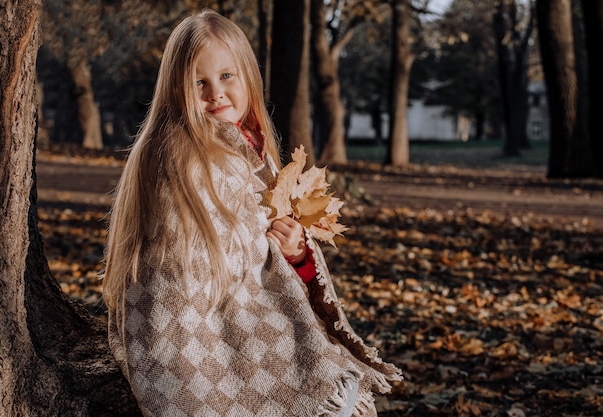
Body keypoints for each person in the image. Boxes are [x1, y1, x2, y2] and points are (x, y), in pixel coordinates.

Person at [102, 9, 402, 417]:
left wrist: (292, 248)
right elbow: (183, 267)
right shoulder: (179, 157)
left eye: (227, 76)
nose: (215, 94)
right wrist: (265, 246)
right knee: (324, 393)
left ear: (248, 76)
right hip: (199, 326)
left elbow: (261, 237)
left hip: (247, 309)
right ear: (176, 89)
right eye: (198, 83)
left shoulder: (249, 149)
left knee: (338, 389)